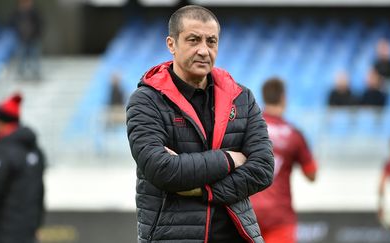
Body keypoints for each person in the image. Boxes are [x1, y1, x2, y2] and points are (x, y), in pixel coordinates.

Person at [126, 5, 274, 243]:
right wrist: (229, 159)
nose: (204, 50)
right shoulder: (146, 100)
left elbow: (263, 169)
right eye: (194, 40)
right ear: (171, 44)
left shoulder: (241, 97)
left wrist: (204, 190)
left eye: (211, 41)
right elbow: (162, 170)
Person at [250, 77, 318, 243]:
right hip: (280, 216)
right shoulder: (294, 135)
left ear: (264, 97)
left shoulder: (250, 128)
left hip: (249, 214)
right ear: (283, 98)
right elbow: (312, 174)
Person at [0, 93, 45, 243]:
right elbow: (40, 192)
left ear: (1, 122)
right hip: (28, 233)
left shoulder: (3, 151)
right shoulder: (35, 151)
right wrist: (37, 225)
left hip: (5, 233)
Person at [11, 0, 43, 80]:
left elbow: (40, 24)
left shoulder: (35, 12)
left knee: (34, 55)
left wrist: (36, 33)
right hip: (22, 38)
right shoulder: (17, 13)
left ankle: (36, 72)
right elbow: (13, 24)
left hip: (33, 38)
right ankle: (21, 73)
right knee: (21, 56)